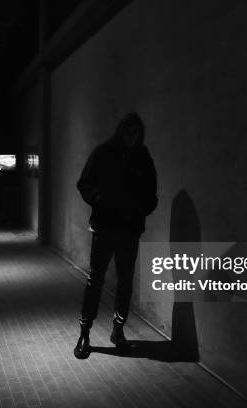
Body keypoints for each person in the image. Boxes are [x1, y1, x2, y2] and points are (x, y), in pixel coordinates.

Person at [74, 112, 158, 359]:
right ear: (120, 131)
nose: (131, 137)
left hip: (129, 232)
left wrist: (140, 210)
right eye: (128, 131)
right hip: (104, 228)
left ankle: (118, 331)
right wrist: (99, 200)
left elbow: (152, 194)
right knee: (95, 280)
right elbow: (84, 183)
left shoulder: (144, 158)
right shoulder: (103, 153)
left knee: (125, 282)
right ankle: (84, 333)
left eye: (136, 133)